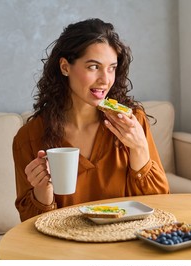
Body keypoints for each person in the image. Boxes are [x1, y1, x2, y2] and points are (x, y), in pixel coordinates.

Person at [13, 18, 170, 222]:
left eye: (111, 68)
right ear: (65, 67)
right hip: (68, 248)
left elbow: (159, 206)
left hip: (127, 243)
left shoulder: (132, 122)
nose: (105, 80)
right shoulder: (29, 138)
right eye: (94, 67)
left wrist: (139, 148)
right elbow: (31, 227)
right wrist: (42, 191)